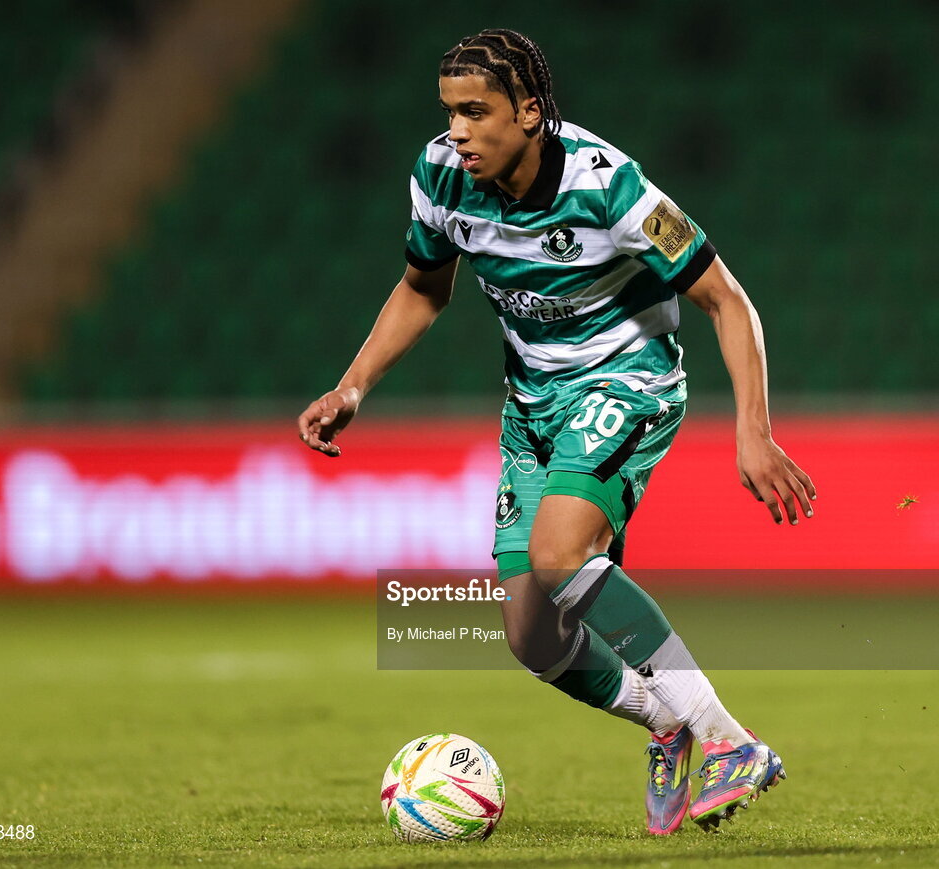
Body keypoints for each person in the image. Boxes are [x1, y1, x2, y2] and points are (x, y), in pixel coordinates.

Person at [297, 28, 815, 835]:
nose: (457, 131)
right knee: (531, 635)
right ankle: (670, 724)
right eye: (449, 112)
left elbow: (727, 299)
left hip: (627, 379)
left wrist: (753, 429)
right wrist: (353, 383)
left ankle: (729, 740)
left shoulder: (612, 188)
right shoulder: (439, 175)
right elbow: (422, 288)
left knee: (560, 553)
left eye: (477, 112)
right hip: (533, 404)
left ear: (531, 111)